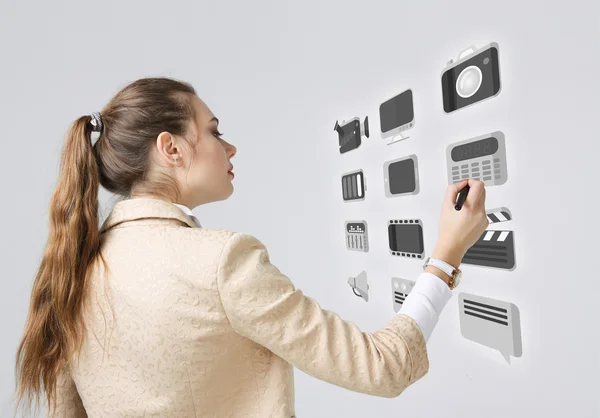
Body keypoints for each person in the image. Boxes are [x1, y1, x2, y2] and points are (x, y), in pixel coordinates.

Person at [13, 77, 489, 418]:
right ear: (171, 148)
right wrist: (446, 255)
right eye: (215, 130)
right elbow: (383, 368)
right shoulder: (222, 261)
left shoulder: (72, 270)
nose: (230, 148)